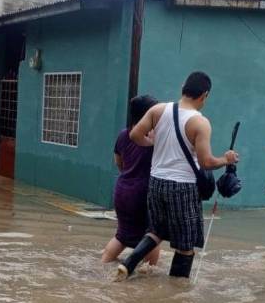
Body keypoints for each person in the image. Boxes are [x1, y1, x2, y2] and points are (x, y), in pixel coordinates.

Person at [115, 71, 239, 280]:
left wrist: (152, 143)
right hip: (183, 187)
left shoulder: (158, 110)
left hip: (156, 183)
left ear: (183, 87)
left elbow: (136, 134)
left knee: (156, 231)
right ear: (204, 95)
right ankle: (176, 292)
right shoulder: (200, 123)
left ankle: (128, 264)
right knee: (185, 245)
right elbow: (206, 162)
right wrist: (226, 159)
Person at [102, 95, 162, 267]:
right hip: (143, 193)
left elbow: (118, 162)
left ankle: (103, 265)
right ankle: (148, 275)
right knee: (153, 235)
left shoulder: (124, 134)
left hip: (122, 191)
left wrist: (130, 176)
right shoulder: (153, 138)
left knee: (122, 235)